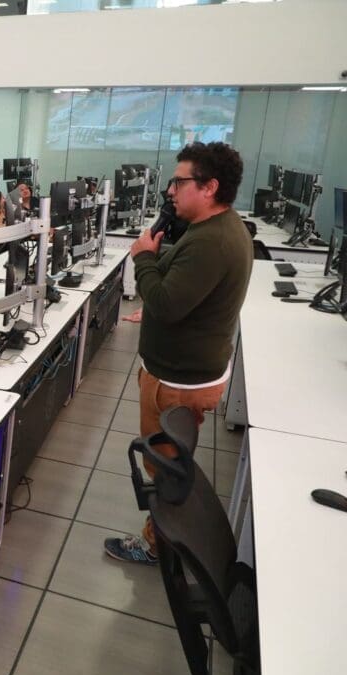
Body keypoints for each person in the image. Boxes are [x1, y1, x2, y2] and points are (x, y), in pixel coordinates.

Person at [104, 141, 253, 566]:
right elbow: (181, 291)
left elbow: (168, 304)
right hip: (186, 372)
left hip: (177, 383)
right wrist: (157, 292)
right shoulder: (213, 230)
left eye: (179, 181)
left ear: (209, 187)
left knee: (165, 468)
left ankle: (158, 547)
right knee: (172, 461)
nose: (171, 190)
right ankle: (164, 540)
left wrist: (143, 259)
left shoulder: (211, 242)